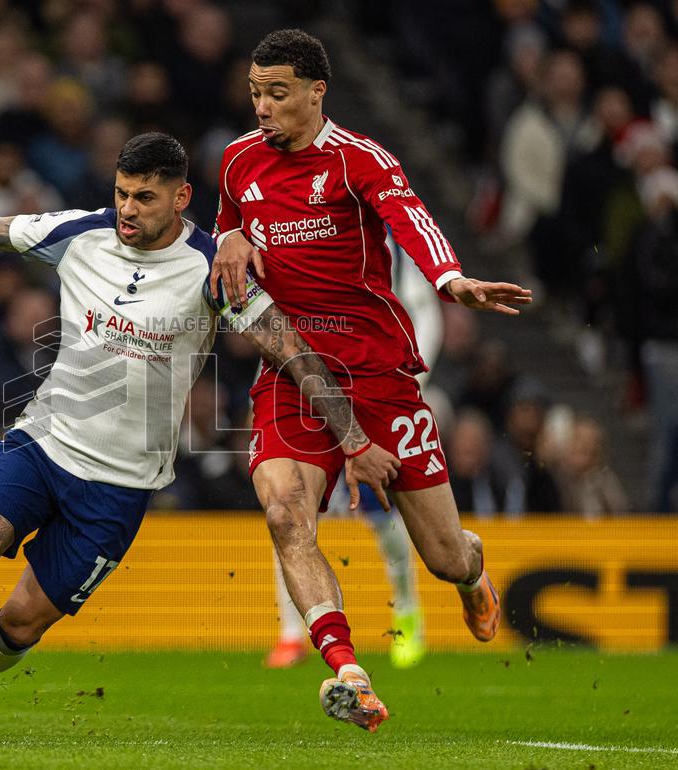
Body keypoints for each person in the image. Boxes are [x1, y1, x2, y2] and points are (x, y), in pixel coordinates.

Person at [0, 132, 400, 738]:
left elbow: (293, 351)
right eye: (121, 194)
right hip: (46, 444)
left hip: (121, 486)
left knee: (25, 622)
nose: (128, 210)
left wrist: (352, 439)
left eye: (144, 197)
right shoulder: (82, 232)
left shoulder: (213, 267)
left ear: (182, 197)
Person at [210, 30, 532, 732]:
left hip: (378, 376)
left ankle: (474, 575)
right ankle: (348, 669)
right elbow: (229, 241)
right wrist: (226, 235)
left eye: (277, 93)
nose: (262, 107)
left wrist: (451, 279)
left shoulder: (359, 159)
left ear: (316, 92)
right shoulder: (237, 161)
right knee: (284, 510)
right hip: (293, 371)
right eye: (255, 93)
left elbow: (410, 218)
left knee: (444, 557)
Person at [265, 237, 439, 672]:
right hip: (309, 390)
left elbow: (423, 310)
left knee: (382, 512)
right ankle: (292, 631)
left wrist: (408, 381)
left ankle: (406, 613)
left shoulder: (387, 239)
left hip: (375, 390)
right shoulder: (296, 228)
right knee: (288, 507)